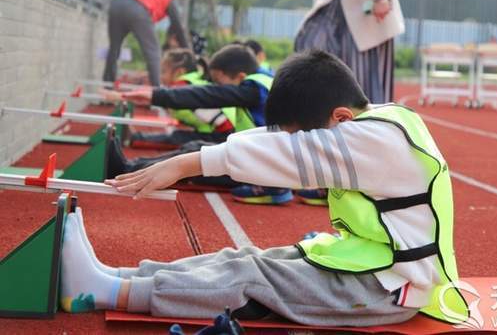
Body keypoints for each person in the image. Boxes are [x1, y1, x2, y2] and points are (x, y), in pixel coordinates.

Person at [61, 50, 468, 327]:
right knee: (244, 257)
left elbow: (285, 155)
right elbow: (279, 142)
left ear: (340, 119)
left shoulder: (376, 141)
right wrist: (191, 160)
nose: (302, 143)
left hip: (388, 290)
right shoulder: (378, 121)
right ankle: (114, 275)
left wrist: (189, 163)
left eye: (306, 136)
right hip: (370, 267)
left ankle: (106, 291)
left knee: (251, 277)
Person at [112, 44, 292, 203]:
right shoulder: (264, 82)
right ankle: (131, 166)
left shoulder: (255, 90)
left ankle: (128, 170)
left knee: (194, 157)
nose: (216, 86)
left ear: (240, 77)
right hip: (254, 158)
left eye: (219, 83)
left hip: (258, 167)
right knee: (195, 147)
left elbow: (209, 95)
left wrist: (157, 96)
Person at [294, 0, 404, 104]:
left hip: (367, 5)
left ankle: (368, 120)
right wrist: (317, 5)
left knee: (362, 72)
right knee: (308, 40)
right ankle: (319, 110)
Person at [128, 48, 233, 148]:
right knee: (181, 136)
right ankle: (135, 137)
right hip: (222, 132)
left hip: (223, 136)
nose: (161, 77)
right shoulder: (193, 81)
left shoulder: (183, 86)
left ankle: (135, 138)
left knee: (178, 139)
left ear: (180, 72)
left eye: (163, 72)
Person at [103, 0, 189, 87]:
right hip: (137, 7)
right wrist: (189, 52)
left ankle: (107, 86)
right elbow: (179, 27)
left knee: (114, 50)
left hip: (115, 4)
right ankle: (157, 92)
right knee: (153, 52)